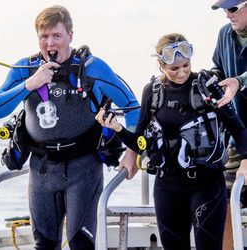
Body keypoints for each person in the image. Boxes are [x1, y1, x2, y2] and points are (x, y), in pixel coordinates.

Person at [0, 5, 140, 250]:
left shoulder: (92, 67)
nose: (50, 43)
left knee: (80, 243)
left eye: (57, 36)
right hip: (42, 171)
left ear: (70, 36)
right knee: (44, 244)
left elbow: (132, 106)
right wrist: (30, 85)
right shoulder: (26, 69)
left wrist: (132, 154)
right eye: (44, 36)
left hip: (83, 168)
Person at [95, 33, 247, 250]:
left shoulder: (206, 87)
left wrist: (245, 160)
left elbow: (238, 129)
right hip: (167, 185)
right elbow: (141, 142)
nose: (181, 72)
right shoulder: (152, 92)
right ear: (161, 65)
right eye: (174, 69)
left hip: (206, 183)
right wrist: (117, 129)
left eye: (185, 65)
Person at [211, 1, 247, 248]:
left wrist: (239, 81)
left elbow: (236, 80)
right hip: (237, 136)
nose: (227, 15)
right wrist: (210, 79)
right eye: (224, 10)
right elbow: (218, 67)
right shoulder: (224, 34)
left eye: (233, 9)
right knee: (220, 201)